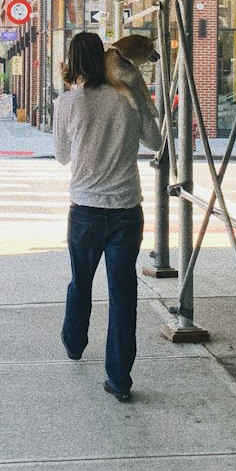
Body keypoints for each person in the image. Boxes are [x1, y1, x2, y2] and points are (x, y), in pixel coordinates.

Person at [52, 31, 161, 403]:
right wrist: (142, 95)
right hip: (126, 210)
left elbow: (62, 156)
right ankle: (119, 379)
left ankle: (74, 342)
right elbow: (156, 141)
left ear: (73, 62)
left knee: (80, 281)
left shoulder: (67, 103)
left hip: (84, 210)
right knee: (123, 293)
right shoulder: (127, 98)